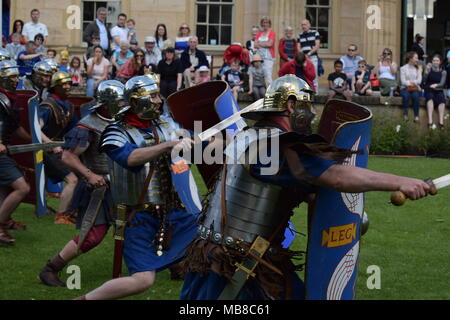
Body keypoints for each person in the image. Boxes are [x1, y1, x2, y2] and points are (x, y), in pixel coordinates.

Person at [179, 75, 431, 300]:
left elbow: (291, 184)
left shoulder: (247, 137)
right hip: (232, 266)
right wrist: (401, 182)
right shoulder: (274, 147)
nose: (310, 114)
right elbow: (337, 176)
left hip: (222, 255)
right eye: (306, 105)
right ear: (291, 105)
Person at [73, 75, 198, 300]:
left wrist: (221, 140)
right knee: (143, 280)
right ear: (134, 102)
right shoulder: (115, 132)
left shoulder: (167, 124)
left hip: (176, 212)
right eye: (152, 96)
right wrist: (168, 145)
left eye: (158, 95)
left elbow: (198, 149)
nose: (159, 101)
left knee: (210, 244)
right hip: (140, 217)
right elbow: (130, 158)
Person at [39, 80, 125, 287]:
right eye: (120, 101)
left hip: (124, 186)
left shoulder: (122, 120)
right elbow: (68, 157)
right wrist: (90, 175)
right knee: (92, 236)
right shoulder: (89, 125)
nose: (124, 105)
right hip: (100, 188)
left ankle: (169, 266)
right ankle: (51, 268)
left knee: (141, 228)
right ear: (107, 103)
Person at [39, 71, 80, 225]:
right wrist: (51, 144)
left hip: (60, 150)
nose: (68, 87)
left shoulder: (68, 106)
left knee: (81, 175)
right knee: (72, 179)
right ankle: (61, 216)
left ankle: (71, 211)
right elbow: (37, 130)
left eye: (69, 83)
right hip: (46, 151)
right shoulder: (47, 106)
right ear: (56, 87)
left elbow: (76, 129)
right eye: (64, 84)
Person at [0, 60, 31, 245]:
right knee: (22, 187)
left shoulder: (9, 98)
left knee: (4, 188)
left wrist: (33, 138)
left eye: (17, 76)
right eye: (12, 77)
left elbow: (15, 127)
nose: (16, 80)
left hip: (6, 150)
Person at [423, 54, 447, 130]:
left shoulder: (443, 72)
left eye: (437, 60)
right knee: (430, 99)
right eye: (434, 60)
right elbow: (423, 80)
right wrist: (426, 71)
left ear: (440, 62)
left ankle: (441, 122)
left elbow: (442, 84)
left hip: (438, 89)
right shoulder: (429, 69)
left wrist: (436, 85)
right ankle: (430, 121)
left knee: (442, 100)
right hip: (429, 88)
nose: (435, 62)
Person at [298, 19, 320, 90]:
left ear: (309, 25)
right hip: (303, 59)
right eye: (302, 25)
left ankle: (316, 93)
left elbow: (317, 46)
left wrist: (309, 54)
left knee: (314, 75)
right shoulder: (300, 35)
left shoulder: (315, 33)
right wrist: (303, 55)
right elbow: (298, 47)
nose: (303, 26)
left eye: (305, 24)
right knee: (304, 75)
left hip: (313, 57)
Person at [399, 51, 422, 122]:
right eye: (416, 58)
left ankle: (416, 116)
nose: (417, 60)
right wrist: (412, 82)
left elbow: (419, 81)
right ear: (410, 58)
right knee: (406, 96)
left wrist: (412, 82)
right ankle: (405, 115)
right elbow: (403, 81)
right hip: (405, 88)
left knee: (416, 96)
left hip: (415, 89)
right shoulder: (403, 68)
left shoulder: (418, 68)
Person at [255, 16, 276, 85]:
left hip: (268, 57)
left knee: (268, 74)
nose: (265, 24)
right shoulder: (259, 33)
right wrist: (265, 43)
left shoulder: (272, 33)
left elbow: (270, 44)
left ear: (269, 24)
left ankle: (271, 92)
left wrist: (260, 44)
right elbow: (255, 45)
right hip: (259, 57)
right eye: (263, 22)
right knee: (260, 75)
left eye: (267, 22)